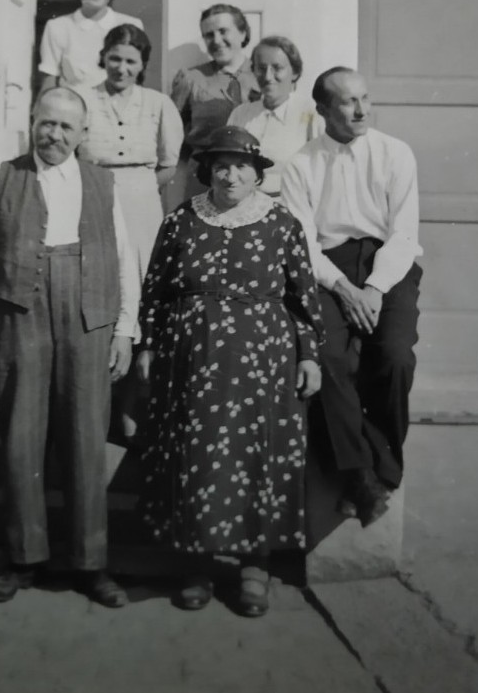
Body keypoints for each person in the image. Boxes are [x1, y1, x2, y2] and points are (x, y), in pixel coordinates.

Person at [135, 125, 324, 618]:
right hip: (191, 357)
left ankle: (254, 567)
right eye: (221, 166)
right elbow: (155, 289)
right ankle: (196, 566)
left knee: (257, 456)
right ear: (207, 172)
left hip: (262, 358)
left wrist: (308, 354)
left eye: (241, 166)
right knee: (196, 456)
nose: (230, 175)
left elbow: (302, 296)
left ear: (257, 173)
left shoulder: (281, 223)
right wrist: (149, 345)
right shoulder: (181, 221)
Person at [0, 86, 140, 608]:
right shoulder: (0, 177)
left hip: (89, 319)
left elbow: (124, 256)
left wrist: (125, 328)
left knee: (86, 440)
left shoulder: (101, 183)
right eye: (47, 123)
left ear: (82, 133)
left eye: (66, 127)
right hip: (20, 317)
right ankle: (22, 559)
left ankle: (91, 563)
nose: (54, 134)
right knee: (21, 438)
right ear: (32, 121)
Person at [279, 67, 422, 527]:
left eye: (365, 98)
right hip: (328, 269)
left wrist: (374, 289)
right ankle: (359, 474)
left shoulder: (395, 153)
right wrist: (344, 289)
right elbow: (303, 244)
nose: (361, 110)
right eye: (347, 101)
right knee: (323, 357)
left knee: (395, 357)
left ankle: (384, 467)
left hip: (388, 265)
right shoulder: (301, 165)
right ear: (323, 110)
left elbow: (404, 234)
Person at [80, 23, 183, 439]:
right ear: (103, 58)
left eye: (130, 61)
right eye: (114, 58)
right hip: (92, 199)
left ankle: (131, 406)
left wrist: (136, 190)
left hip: (141, 205)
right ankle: (95, 403)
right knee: (100, 290)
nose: (121, 68)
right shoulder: (84, 99)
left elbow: (169, 163)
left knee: (140, 293)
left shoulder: (158, 104)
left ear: (142, 65)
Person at [169, 3, 259, 201]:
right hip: (205, 177)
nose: (217, 41)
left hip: (254, 176)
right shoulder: (191, 78)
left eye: (223, 31)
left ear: (243, 33)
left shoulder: (262, 75)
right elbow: (172, 131)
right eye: (209, 35)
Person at [38, 0, 143, 95]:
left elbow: (135, 80)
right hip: (74, 106)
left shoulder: (131, 25)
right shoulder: (58, 27)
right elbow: (50, 80)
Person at [228, 35, 319, 196]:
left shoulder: (310, 114)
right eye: (261, 68)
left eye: (277, 68)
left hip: (291, 202)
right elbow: (227, 162)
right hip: (244, 202)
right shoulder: (241, 114)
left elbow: (320, 171)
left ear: (295, 72)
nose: (268, 76)